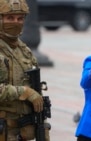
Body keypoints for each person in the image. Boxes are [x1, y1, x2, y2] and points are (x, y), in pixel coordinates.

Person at [0, 0, 50, 140]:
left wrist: (42, 126)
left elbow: (35, 92)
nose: (16, 22)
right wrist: (25, 92)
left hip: (21, 132)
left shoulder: (24, 51)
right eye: (10, 18)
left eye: (20, 18)